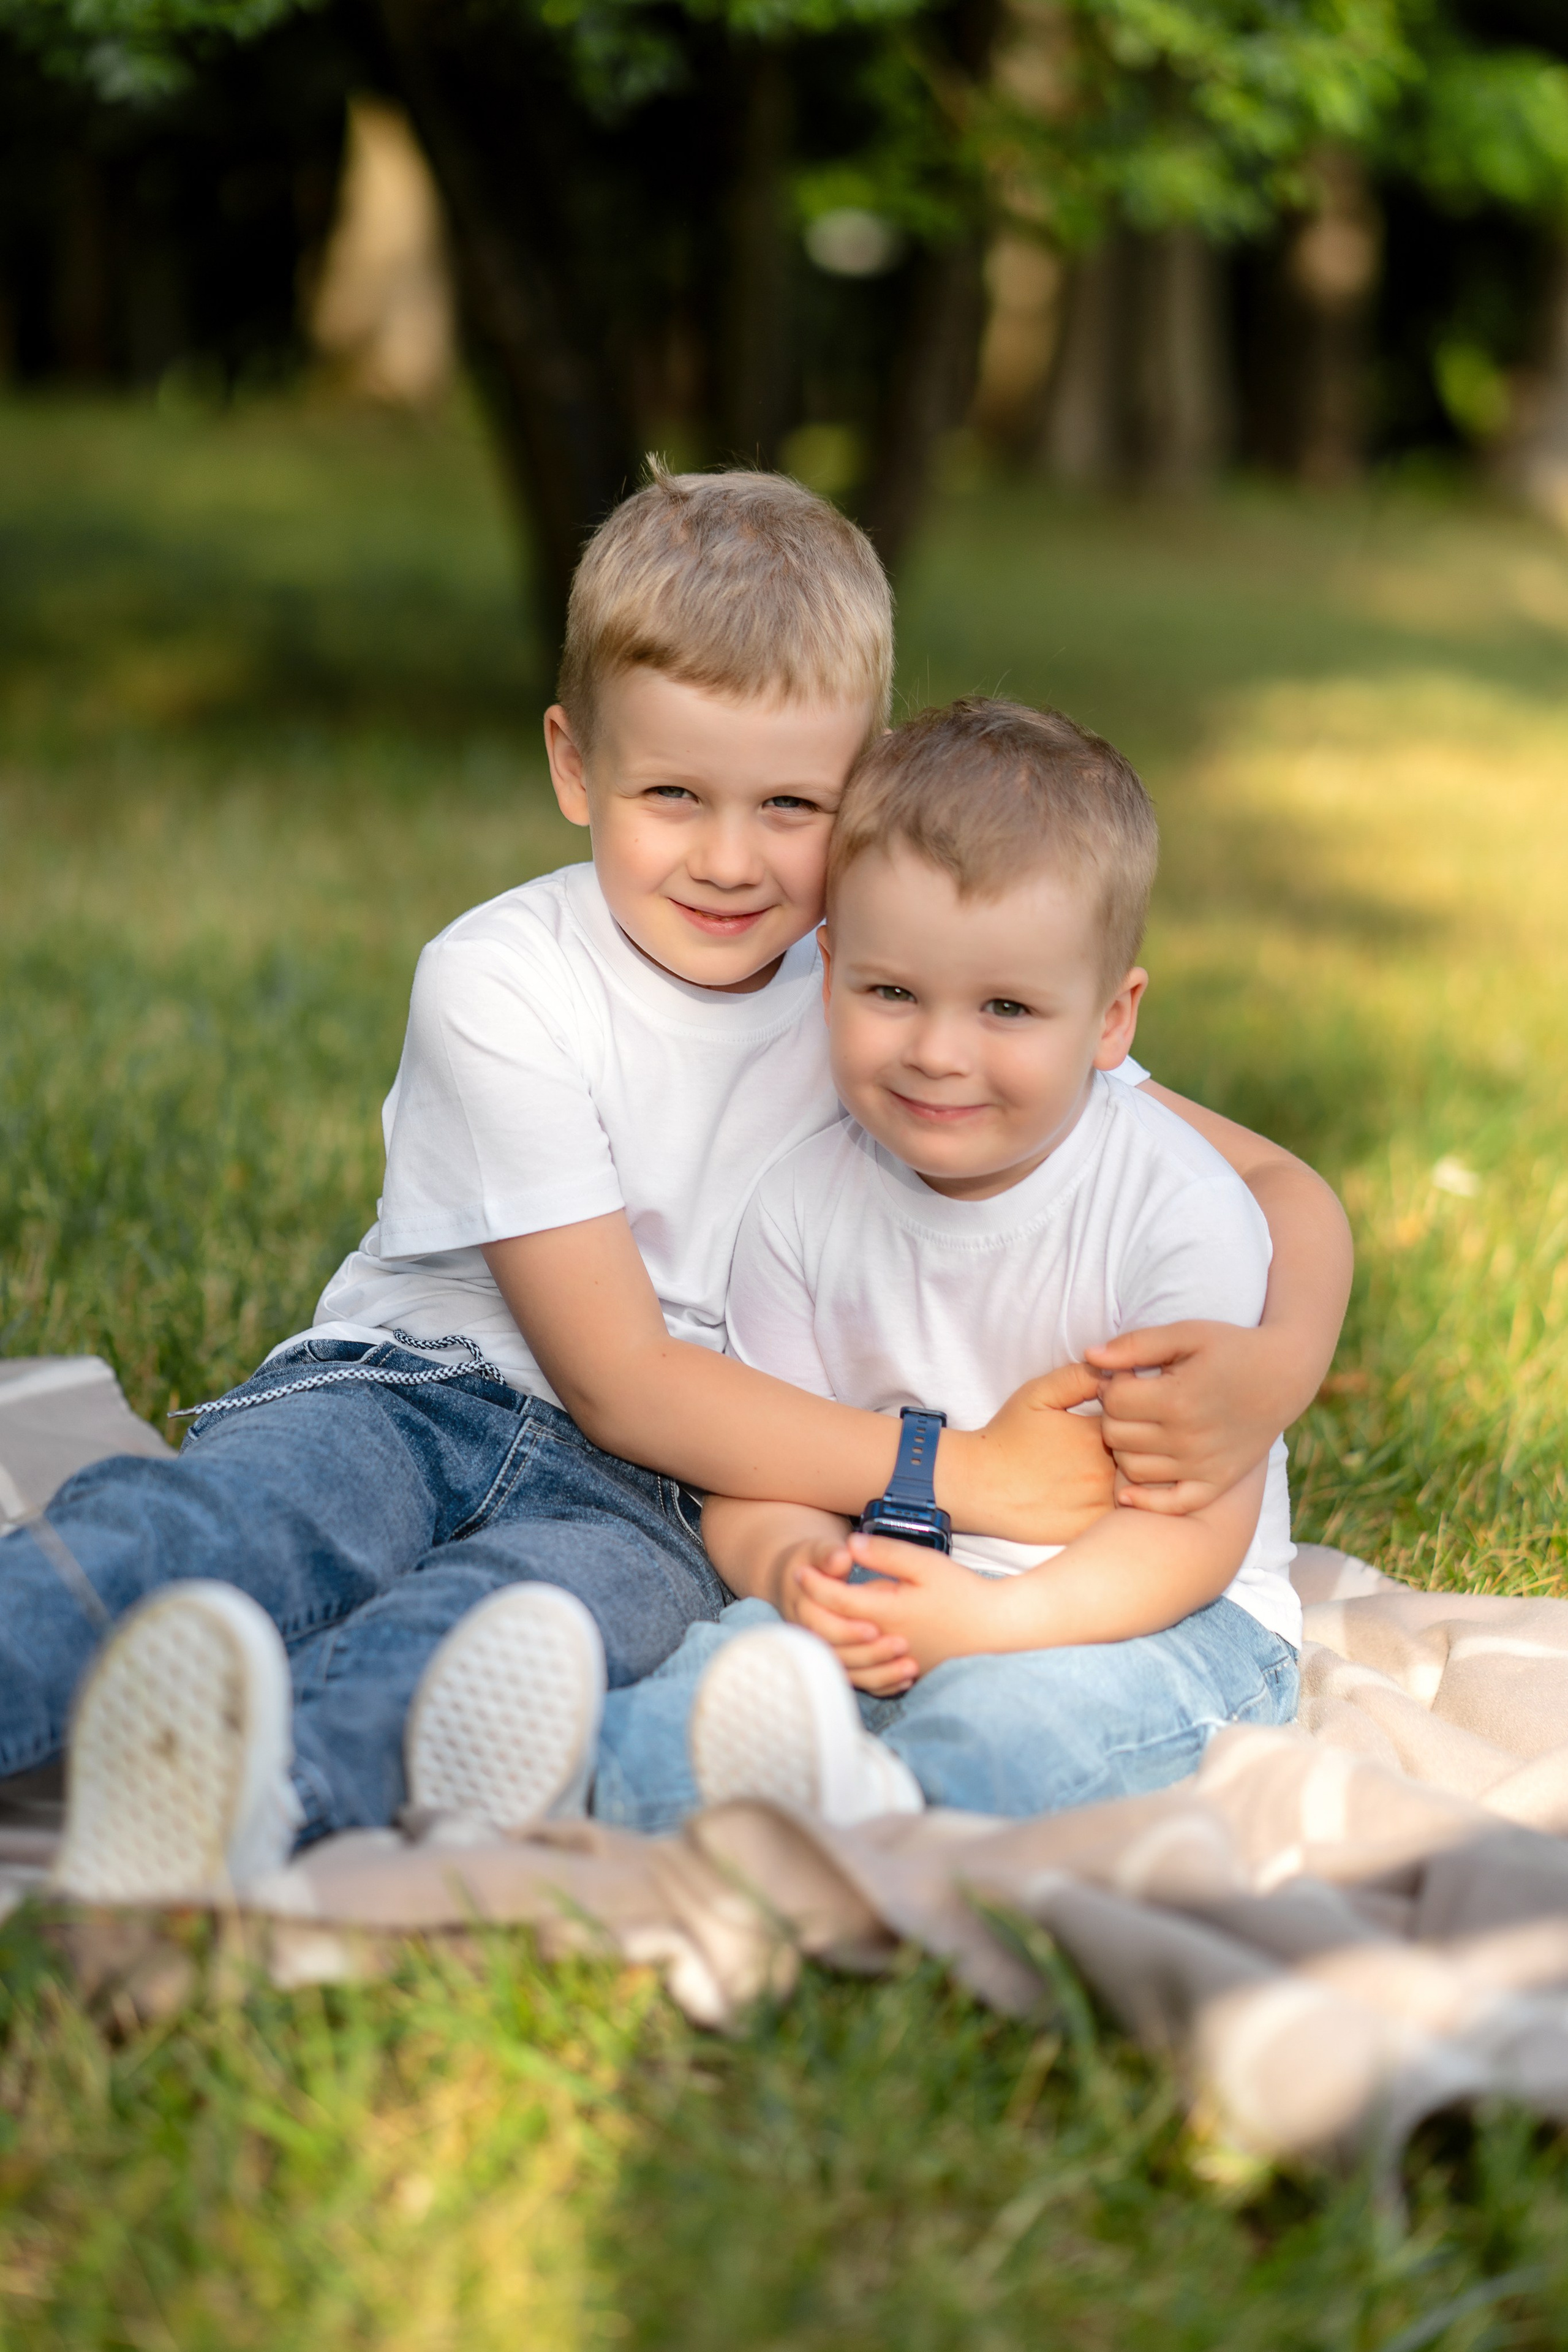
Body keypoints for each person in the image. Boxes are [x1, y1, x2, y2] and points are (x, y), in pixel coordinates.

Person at [12, 474, 1344, 1902]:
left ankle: (241, 1807)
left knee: (505, 1633)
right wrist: (951, 1475)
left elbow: (1272, 1180)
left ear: (865, 791)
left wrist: (1267, 1373)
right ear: (574, 764)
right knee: (232, 1525)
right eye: (669, 794)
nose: (727, 858)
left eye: (790, 805)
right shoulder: (504, 980)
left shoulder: (895, 1001)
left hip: (679, 1496)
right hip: (410, 1389)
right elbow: (618, 1381)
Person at [481, 696, 1305, 1833]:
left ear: (1112, 1021)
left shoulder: (1180, 1211)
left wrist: (990, 1625)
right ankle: (571, 1786)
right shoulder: (802, 1204)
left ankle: (886, 1813)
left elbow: (1193, 1531)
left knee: (1025, 1727)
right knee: (723, 1674)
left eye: (1008, 1007)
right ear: (829, 971)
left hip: (1154, 1612)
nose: (938, 1051)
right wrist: (804, 1576)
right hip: (895, 1586)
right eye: (893, 993)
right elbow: (763, 1476)